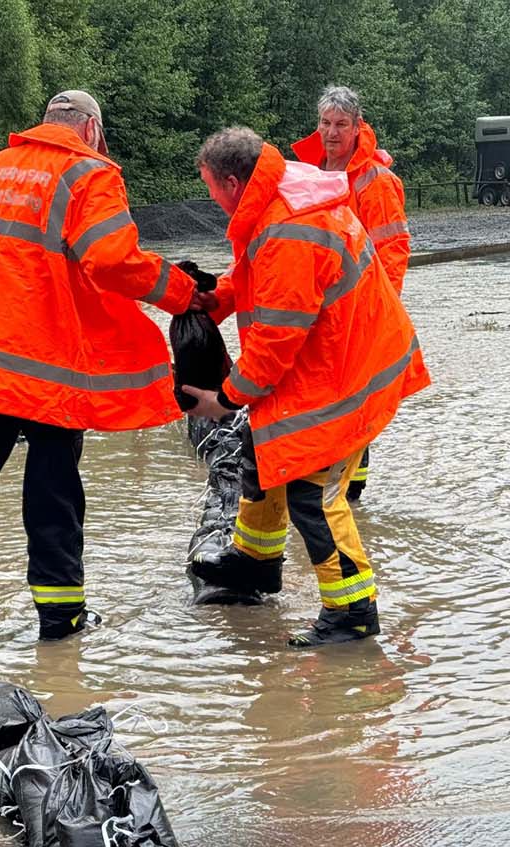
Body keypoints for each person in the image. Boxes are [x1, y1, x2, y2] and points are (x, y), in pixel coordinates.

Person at [0, 89, 196, 640]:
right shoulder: (88, 175)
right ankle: (60, 621)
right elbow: (112, 259)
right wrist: (183, 293)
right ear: (92, 129)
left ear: (46, 123)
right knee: (52, 499)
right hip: (50, 370)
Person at [184, 127, 429, 647]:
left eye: (210, 188)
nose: (211, 199)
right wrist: (219, 299)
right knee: (261, 449)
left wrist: (224, 398)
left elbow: (274, 340)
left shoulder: (287, 229)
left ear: (232, 182)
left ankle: (353, 614)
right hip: (340, 358)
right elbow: (256, 278)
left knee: (313, 493)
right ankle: (255, 564)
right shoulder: (276, 198)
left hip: (343, 375)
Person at [292, 86, 411, 501]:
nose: (331, 132)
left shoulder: (375, 180)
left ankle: (348, 495)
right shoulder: (309, 171)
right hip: (317, 307)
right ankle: (333, 484)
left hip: (360, 307)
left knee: (353, 398)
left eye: (341, 124)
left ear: (358, 127)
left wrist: (377, 311)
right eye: (325, 123)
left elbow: (393, 250)